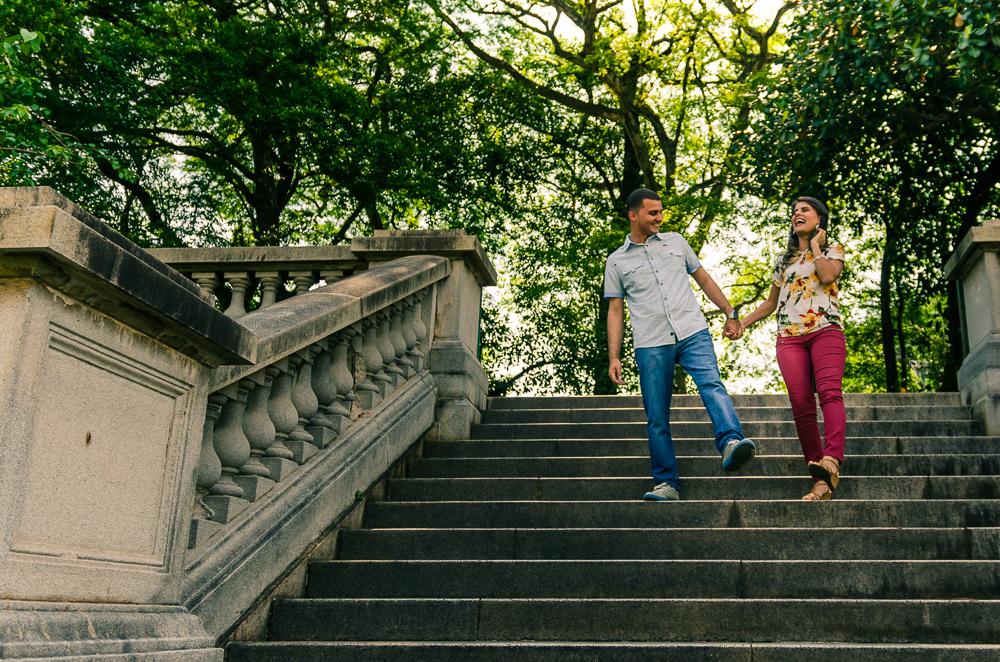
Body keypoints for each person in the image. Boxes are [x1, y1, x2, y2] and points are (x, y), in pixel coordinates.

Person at [605, 188, 757, 501]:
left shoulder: (676, 242)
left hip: (692, 331)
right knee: (657, 416)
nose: (659, 218)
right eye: (652, 213)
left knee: (712, 385)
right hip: (650, 342)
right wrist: (614, 356)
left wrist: (731, 313)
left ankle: (730, 442)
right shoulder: (617, 262)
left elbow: (703, 278)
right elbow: (616, 310)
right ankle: (667, 484)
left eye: (661, 212)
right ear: (633, 215)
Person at [738, 196, 846, 500]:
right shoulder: (782, 261)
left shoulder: (831, 250)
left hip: (825, 331)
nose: (797, 214)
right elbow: (772, 303)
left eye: (805, 210)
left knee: (829, 393)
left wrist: (815, 247)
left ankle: (832, 460)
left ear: (819, 219)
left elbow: (827, 276)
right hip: (789, 338)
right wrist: (742, 322)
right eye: (794, 211)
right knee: (801, 406)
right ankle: (820, 481)